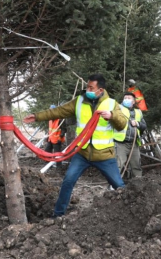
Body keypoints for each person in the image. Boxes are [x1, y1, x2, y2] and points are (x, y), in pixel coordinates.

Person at [23, 73, 128, 217]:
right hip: (82, 153)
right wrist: (37, 116)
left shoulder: (111, 104)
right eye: (87, 86)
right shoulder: (79, 101)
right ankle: (58, 215)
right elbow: (58, 111)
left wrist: (112, 116)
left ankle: (130, 212)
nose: (88, 90)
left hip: (104, 155)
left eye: (91, 87)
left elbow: (122, 124)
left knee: (119, 186)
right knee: (68, 181)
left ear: (101, 90)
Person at [114, 92, 147, 178]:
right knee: (118, 165)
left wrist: (137, 124)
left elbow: (144, 126)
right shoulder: (118, 108)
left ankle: (138, 183)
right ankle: (114, 185)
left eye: (129, 98)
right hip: (121, 143)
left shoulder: (138, 112)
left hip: (134, 143)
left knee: (136, 165)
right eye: (125, 98)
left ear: (133, 101)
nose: (126, 100)